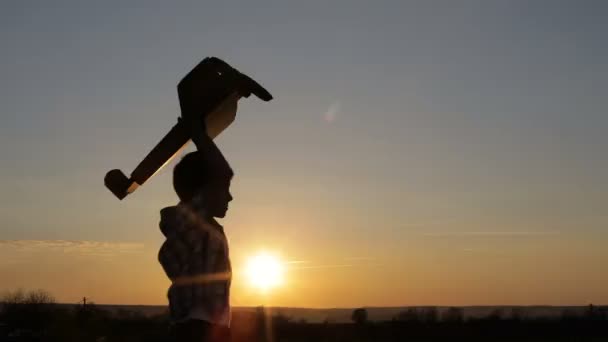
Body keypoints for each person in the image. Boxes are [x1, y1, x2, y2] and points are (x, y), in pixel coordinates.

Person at [158, 107, 234, 342]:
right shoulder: (194, 223)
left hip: (205, 328)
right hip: (197, 330)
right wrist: (199, 135)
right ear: (203, 192)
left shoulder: (200, 228)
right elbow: (222, 171)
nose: (229, 197)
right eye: (224, 190)